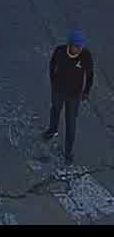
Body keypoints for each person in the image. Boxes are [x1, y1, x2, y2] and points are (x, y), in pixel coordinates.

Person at [44, 30, 94, 163]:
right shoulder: (60, 52)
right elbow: (52, 65)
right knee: (55, 110)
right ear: (70, 45)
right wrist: (53, 82)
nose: (79, 49)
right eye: (77, 46)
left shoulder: (86, 56)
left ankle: (69, 152)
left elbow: (90, 75)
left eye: (81, 46)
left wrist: (86, 91)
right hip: (59, 90)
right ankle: (52, 130)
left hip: (74, 95)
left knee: (71, 124)